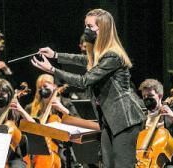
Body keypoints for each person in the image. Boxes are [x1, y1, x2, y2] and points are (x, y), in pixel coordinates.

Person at [31, 8, 146, 168]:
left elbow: (84, 81)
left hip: (124, 119)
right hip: (109, 120)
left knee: (122, 165)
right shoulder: (102, 54)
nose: (86, 30)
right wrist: (56, 55)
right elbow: (83, 59)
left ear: (103, 29)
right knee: (108, 164)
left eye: (90, 27)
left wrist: (52, 70)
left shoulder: (112, 55)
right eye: (85, 26)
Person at [11, 74, 70, 168]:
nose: (42, 89)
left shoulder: (64, 103)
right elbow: (23, 130)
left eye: (45, 86)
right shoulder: (30, 108)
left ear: (54, 86)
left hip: (57, 152)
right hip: (32, 151)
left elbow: (75, 121)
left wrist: (63, 109)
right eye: (40, 87)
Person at [0, 78, 26, 167]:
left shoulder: (17, 113)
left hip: (13, 157)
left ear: (9, 94)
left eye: (2, 94)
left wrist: (21, 111)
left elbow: (35, 127)